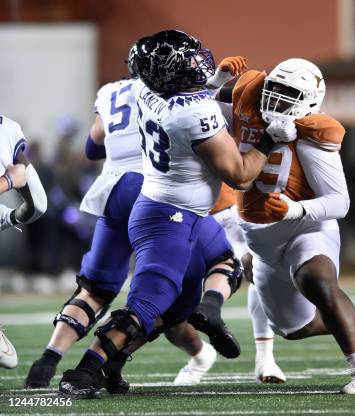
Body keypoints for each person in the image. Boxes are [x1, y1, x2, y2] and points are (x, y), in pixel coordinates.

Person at [57, 29, 290, 399]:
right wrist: (271, 138)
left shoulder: (147, 92)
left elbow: (187, 102)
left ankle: (183, 324)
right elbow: (242, 175)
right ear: (165, 73)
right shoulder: (191, 113)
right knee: (148, 303)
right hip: (168, 218)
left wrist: (215, 83)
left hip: (180, 212)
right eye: (186, 59)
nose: (196, 61)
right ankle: (84, 371)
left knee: (217, 274)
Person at [25, 44, 246, 390]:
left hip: (112, 190)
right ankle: (100, 363)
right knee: (206, 272)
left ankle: (47, 361)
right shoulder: (170, 100)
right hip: (158, 194)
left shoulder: (115, 91)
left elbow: (92, 148)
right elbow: (197, 117)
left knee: (95, 290)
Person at [190, 58, 355, 394]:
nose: (277, 99)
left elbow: (340, 202)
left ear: (309, 102)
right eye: (274, 88)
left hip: (305, 229)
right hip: (261, 241)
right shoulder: (245, 106)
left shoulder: (313, 134)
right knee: (294, 328)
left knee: (317, 282)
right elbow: (194, 116)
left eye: (289, 93)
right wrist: (214, 82)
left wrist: (296, 209)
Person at [0, 113, 48, 370]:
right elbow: (38, 205)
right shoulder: (7, 129)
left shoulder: (8, 130)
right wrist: (9, 181)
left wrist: (8, 218)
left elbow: (38, 204)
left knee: (9, 358)